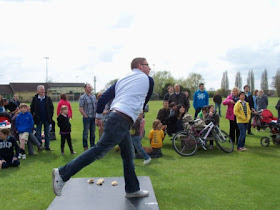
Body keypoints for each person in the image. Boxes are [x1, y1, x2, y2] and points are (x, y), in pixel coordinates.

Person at [52, 57, 154, 198]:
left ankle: (132, 189)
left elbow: (104, 97)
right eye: (148, 65)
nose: (150, 68)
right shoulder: (148, 79)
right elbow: (145, 101)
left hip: (117, 118)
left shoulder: (122, 79)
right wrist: (140, 108)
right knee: (98, 151)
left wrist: (99, 116)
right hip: (121, 120)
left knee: (128, 154)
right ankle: (62, 174)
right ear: (140, 66)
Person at [30, 85, 54, 150]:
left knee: (47, 134)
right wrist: (32, 117)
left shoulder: (48, 98)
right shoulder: (34, 99)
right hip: (38, 119)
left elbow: (51, 108)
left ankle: (47, 146)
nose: (42, 91)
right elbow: (32, 109)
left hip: (47, 119)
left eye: (43, 89)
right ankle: (39, 146)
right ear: (38, 91)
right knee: (38, 134)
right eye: (41, 90)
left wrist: (50, 116)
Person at [79, 83, 97, 151]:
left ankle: (92, 145)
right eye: (88, 87)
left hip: (93, 117)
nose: (90, 88)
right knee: (86, 132)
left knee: (93, 132)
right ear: (85, 89)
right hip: (87, 118)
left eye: (90, 87)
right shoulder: (83, 97)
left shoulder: (93, 96)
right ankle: (85, 146)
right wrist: (85, 116)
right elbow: (80, 108)